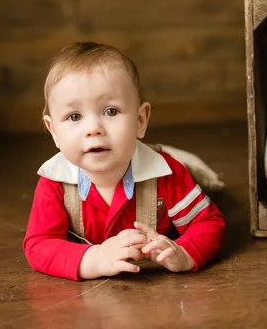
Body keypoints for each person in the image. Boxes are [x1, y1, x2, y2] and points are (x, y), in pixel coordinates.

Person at [22, 42, 227, 281]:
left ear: (140, 120)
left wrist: (184, 253)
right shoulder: (55, 181)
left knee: (207, 181)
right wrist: (95, 259)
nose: (93, 129)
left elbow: (209, 223)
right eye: (74, 116)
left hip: (161, 158)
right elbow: (39, 244)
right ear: (54, 130)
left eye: (111, 111)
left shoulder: (165, 173)